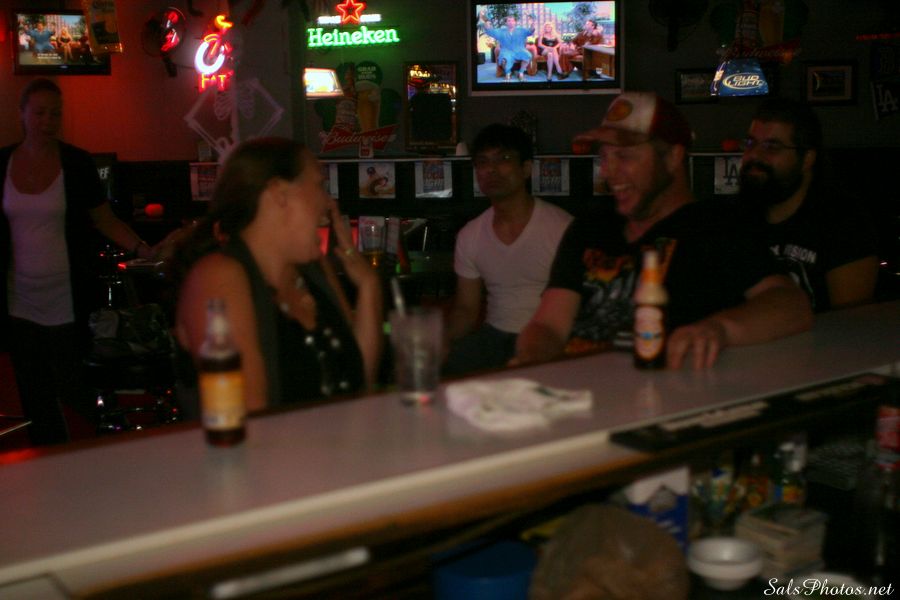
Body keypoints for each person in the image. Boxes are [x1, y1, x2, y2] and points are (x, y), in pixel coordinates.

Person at [515, 92, 813, 370]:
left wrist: (720, 329)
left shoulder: (716, 227)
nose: (607, 171)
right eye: (604, 156)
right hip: (579, 392)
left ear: (672, 157)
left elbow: (792, 305)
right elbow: (549, 325)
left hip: (664, 394)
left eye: (625, 156)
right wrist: (531, 361)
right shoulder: (589, 226)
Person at [0, 78, 158, 445]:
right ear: (22, 115)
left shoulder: (76, 163)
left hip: (67, 296)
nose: (47, 121)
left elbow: (104, 220)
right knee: (34, 391)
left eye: (55, 114)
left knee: (75, 384)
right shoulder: (2, 163)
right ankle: (48, 459)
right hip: (18, 298)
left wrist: (142, 249)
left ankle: (94, 451)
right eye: (39, 113)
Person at [175, 137, 383, 412]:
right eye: (319, 185)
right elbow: (251, 418)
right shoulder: (217, 277)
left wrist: (369, 287)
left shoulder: (313, 270)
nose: (328, 203)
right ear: (278, 193)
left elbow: (358, 385)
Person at [444, 124, 572, 376]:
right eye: (483, 162)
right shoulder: (470, 235)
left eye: (503, 159)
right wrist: (439, 341)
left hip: (550, 338)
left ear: (526, 169)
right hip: (493, 338)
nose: (491, 169)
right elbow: (467, 309)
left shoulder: (562, 228)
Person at [738, 97, 879, 312]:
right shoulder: (734, 219)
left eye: (772, 147)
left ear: (807, 159)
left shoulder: (844, 223)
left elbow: (852, 321)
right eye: (750, 143)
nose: (755, 155)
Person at [480, 10, 536, 82]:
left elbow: (530, 31)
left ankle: (521, 72)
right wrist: (486, 20)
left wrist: (532, 22)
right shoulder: (501, 31)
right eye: (509, 21)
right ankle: (508, 72)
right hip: (506, 50)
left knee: (528, 55)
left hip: (519, 49)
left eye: (512, 21)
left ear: (515, 22)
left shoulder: (521, 30)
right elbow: (490, 31)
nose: (511, 22)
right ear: (506, 23)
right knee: (503, 59)